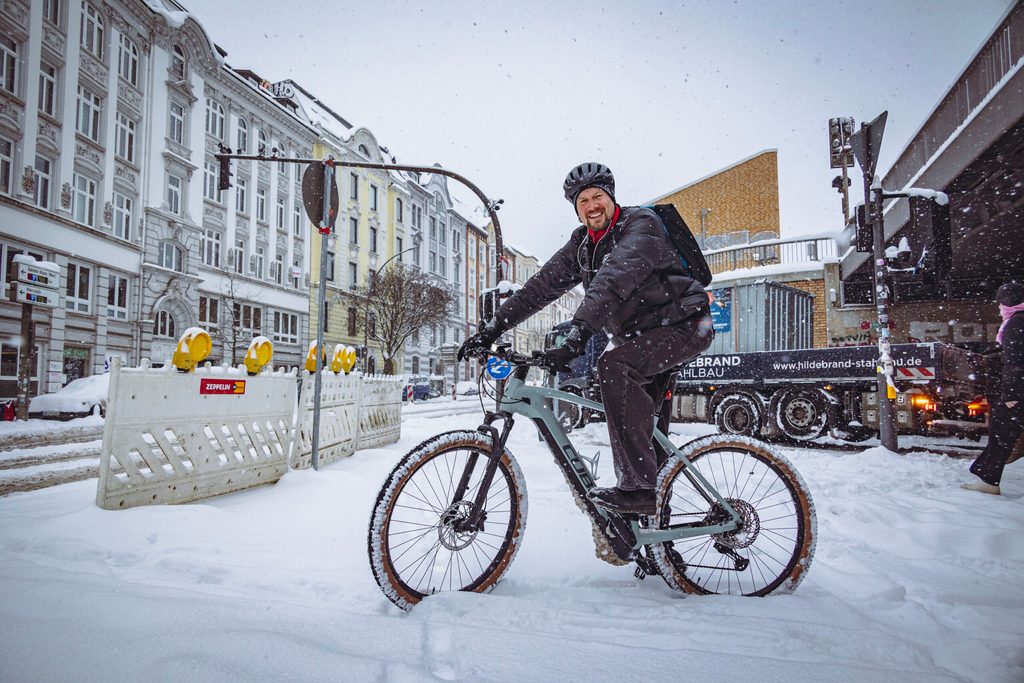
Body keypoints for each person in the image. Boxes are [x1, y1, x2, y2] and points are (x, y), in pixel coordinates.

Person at [458, 162, 714, 514]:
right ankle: (654, 535)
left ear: (611, 198)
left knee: (613, 366)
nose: (592, 205)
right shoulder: (582, 245)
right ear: (576, 208)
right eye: (583, 201)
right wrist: (491, 329)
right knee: (647, 435)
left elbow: (613, 279)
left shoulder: (641, 225)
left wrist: (578, 335)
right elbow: (539, 288)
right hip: (640, 336)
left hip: (682, 326)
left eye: (598, 197)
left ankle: (638, 490)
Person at [962, 281, 1024, 495]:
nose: (998, 308)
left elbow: (1015, 363)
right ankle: (987, 478)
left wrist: (1011, 395)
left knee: (1001, 436)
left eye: (999, 303)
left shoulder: (1016, 323)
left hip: (1018, 393)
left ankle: (988, 480)